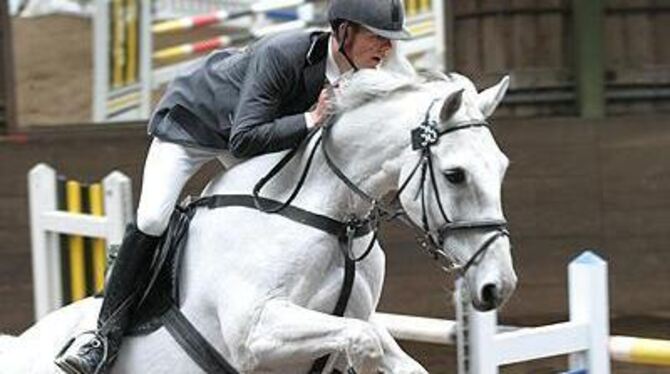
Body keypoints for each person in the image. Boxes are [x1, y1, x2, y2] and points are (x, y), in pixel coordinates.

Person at [55, 0, 412, 372]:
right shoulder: (283, 54)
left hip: (256, 136)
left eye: (390, 40)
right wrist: (311, 118)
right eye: (378, 37)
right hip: (194, 126)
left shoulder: (360, 72)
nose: (387, 48)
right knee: (153, 218)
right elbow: (243, 139)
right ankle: (102, 337)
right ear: (343, 31)